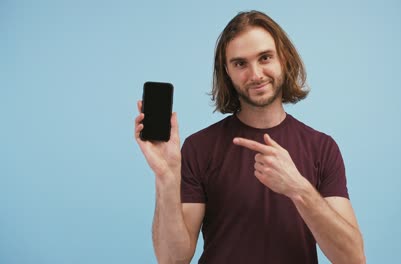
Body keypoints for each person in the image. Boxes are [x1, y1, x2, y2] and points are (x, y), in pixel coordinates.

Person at [134, 10, 365, 264]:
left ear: (283, 59)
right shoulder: (199, 148)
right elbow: (172, 260)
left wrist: (299, 189)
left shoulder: (322, 148)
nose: (255, 75)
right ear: (228, 72)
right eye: (240, 63)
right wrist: (166, 179)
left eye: (265, 57)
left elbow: (353, 259)